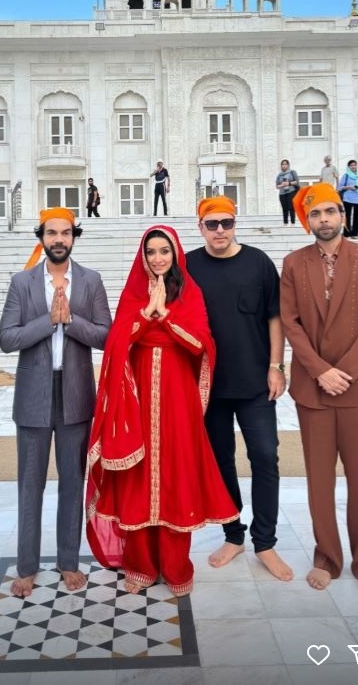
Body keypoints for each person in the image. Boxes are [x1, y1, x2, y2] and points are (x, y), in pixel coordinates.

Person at [86, 226, 238, 595]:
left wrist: (164, 316)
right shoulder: (132, 291)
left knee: (176, 474)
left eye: (164, 251)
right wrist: (144, 316)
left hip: (176, 394)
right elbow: (118, 339)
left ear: (175, 254)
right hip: (135, 394)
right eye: (151, 252)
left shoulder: (191, 292)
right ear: (143, 256)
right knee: (137, 477)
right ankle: (140, 564)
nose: (157, 258)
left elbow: (200, 343)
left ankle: (175, 566)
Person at [281, 183, 358, 596]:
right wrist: (321, 371)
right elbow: (291, 323)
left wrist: (343, 371)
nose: (323, 219)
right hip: (314, 390)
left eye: (330, 211)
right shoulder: (294, 263)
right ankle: (326, 556)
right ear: (306, 220)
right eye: (315, 214)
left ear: (342, 214)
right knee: (319, 479)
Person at [0, 207, 111, 596]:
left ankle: (68, 561)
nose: (58, 239)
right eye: (51, 233)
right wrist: (49, 321)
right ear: (41, 237)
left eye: (65, 233)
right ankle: (26, 567)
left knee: (71, 481)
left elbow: (105, 337)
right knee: (30, 484)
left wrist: (70, 321)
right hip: (33, 395)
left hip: (76, 394)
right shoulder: (22, 282)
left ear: (74, 237)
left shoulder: (92, 281)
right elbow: (7, 339)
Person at [186, 196, 293, 581]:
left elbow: (275, 317)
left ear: (235, 224)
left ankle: (265, 542)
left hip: (255, 383)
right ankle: (234, 535)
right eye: (212, 224)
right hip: (209, 386)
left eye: (226, 223)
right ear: (200, 227)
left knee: (265, 456)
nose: (219, 231)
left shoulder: (258, 262)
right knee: (221, 461)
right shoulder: (189, 265)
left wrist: (276, 366)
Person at [338, 159, 358, 238]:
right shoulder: (346, 175)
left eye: (354, 165)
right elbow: (340, 187)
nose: (353, 166)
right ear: (349, 167)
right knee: (348, 216)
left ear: (357, 166)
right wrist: (350, 187)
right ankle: (347, 233)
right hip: (347, 198)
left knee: (356, 217)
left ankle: (354, 234)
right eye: (351, 165)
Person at [275, 159, 300, 225]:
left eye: (285, 164)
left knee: (291, 207)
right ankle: (285, 223)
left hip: (291, 192)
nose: (284, 165)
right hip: (282, 193)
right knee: (284, 208)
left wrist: (288, 183)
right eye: (282, 164)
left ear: (288, 165)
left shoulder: (292, 172)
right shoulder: (279, 175)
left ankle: (292, 223)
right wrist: (282, 185)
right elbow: (277, 186)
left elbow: (297, 182)